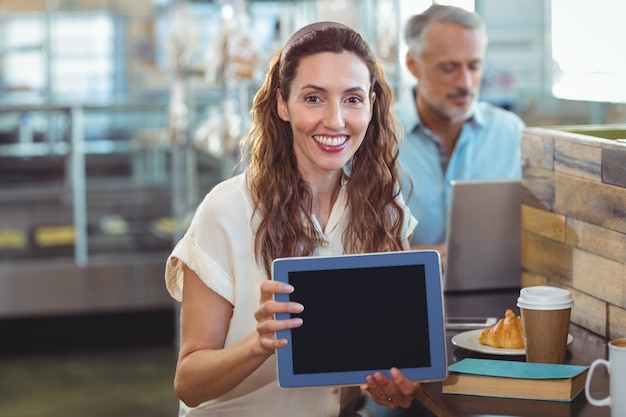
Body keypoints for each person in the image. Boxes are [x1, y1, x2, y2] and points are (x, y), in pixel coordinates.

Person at [164, 21, 420, 417]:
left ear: (371, 104)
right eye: (314, 98)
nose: (335, 120)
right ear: (282, 103)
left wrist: (390, 391)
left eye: (352, 99)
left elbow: (375, 372)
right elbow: (190, 383)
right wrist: (260, 342)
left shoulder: (386, 210)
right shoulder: (226, 210)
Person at [397, 4, 525, 264]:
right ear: (413, 64)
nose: (465, 83)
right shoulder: (376, 136)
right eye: (449, 68)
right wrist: (417, 257)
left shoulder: (511, 133)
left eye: (474, 66)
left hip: (499, 295)